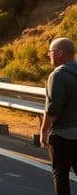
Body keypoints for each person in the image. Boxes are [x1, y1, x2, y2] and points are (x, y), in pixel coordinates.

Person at [42, 37, 77, 195]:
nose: (49, 55)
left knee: (60, 175)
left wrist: (44, 131)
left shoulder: (57, 75)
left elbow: (53, 109)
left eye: (50, 52)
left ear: (59, 53)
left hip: (63, 134)